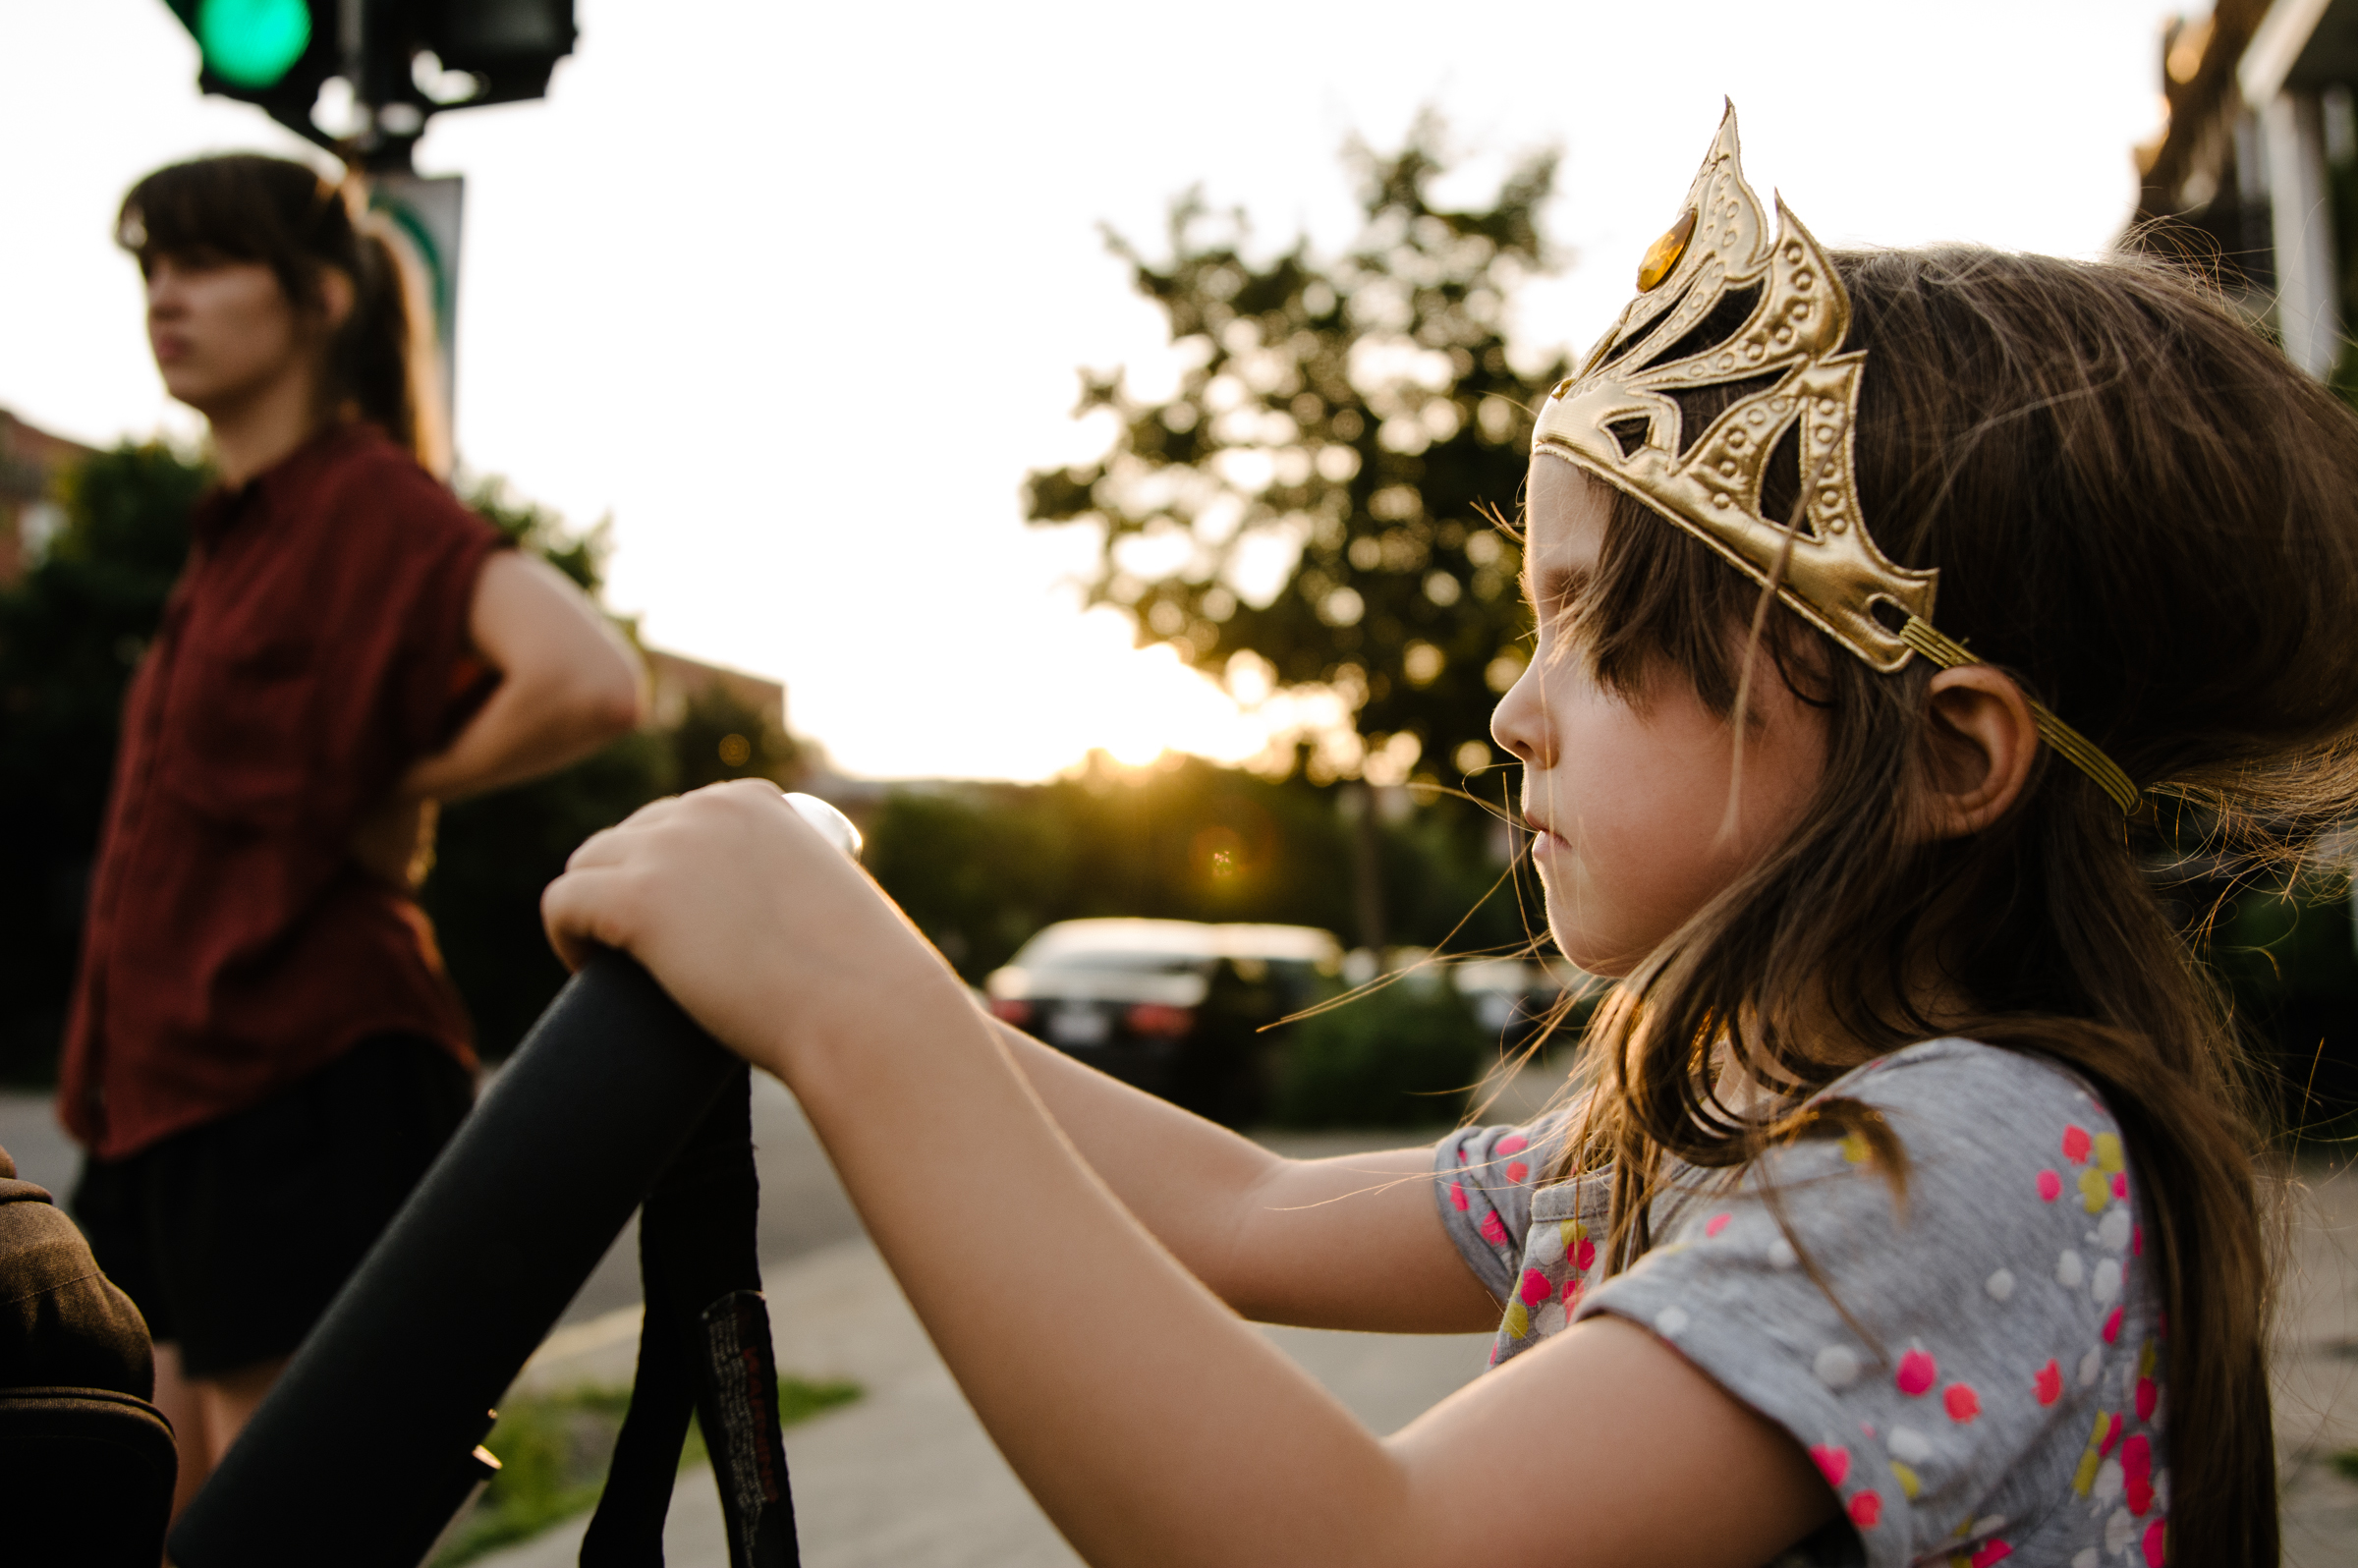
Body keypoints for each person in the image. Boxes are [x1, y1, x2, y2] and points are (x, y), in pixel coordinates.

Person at [539, 110, 2333, 1566]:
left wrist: (846, 1004)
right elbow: (1239, 1212)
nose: (1513, 711)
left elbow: (1369, 1545)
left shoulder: (1962, 1154)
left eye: (1608, 637)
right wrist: (861, 973)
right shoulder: (1728, 1112)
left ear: (1948, 756)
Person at [60, 154, 645, 1517]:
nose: (165, 298)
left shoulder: (362, 501)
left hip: (298, 1074)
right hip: (161, 1091)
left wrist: (399, 776)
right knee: (136, 1516)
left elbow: (592, 676)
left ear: (320, 299)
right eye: (152, 268)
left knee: (281, 1531)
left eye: (204, 264)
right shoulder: (227, 539)